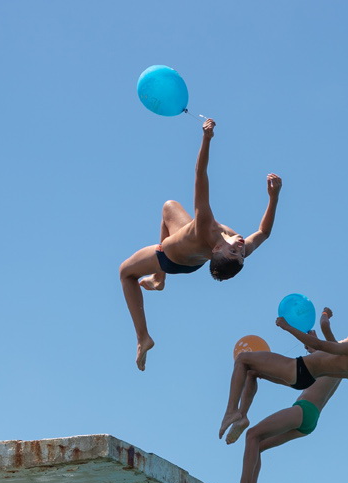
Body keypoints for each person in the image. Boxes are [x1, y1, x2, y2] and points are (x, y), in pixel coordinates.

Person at [118, 118, 281, 370]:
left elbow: (200, 175)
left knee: (125, 273)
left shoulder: (205, 225)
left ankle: (143, 337)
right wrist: (274, 197)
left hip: (167, 258)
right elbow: (264, 232)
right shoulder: (235, 247)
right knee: (169, 207)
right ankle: (159, 280)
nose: (240, 247)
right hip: (192, 261)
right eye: (241, 253)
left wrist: (206, 139)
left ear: (217, 248)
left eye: (234, 250)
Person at [229, 308, 348, 483]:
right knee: (257, 444)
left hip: (304, 409)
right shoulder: (343, 366)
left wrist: (325, 314)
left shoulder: (344, 354)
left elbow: (325, 332)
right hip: (310, 418)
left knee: (253, 435)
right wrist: (312, 342)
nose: (347, 338)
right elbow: (318, 353)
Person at [218, 308, 348, 444]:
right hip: (305, 379)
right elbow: (324, 358)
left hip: (297, 372)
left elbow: (324, 334)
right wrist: (313, 346)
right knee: (252, 372)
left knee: (243, 360)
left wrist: (322, 315)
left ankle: (233, 411)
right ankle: (242, 416)